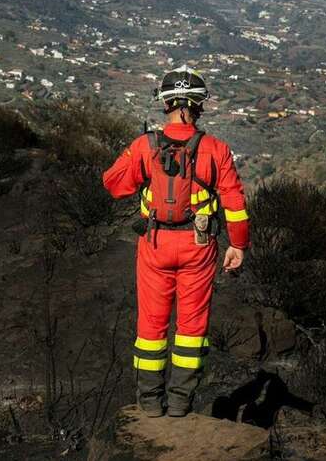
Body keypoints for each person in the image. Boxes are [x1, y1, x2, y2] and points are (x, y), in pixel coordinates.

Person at [103, 65, 250, 417]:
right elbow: (235, 204)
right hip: (198, 246)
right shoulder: (216, 149)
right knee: (191, 327)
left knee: (151, 324)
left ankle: (150, 403)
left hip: (154, 244)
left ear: (165, 103)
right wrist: (238, 245)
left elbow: (113, 184)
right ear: (199, 105)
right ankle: (181, 403)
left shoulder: (146, 146)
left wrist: (139, 161)